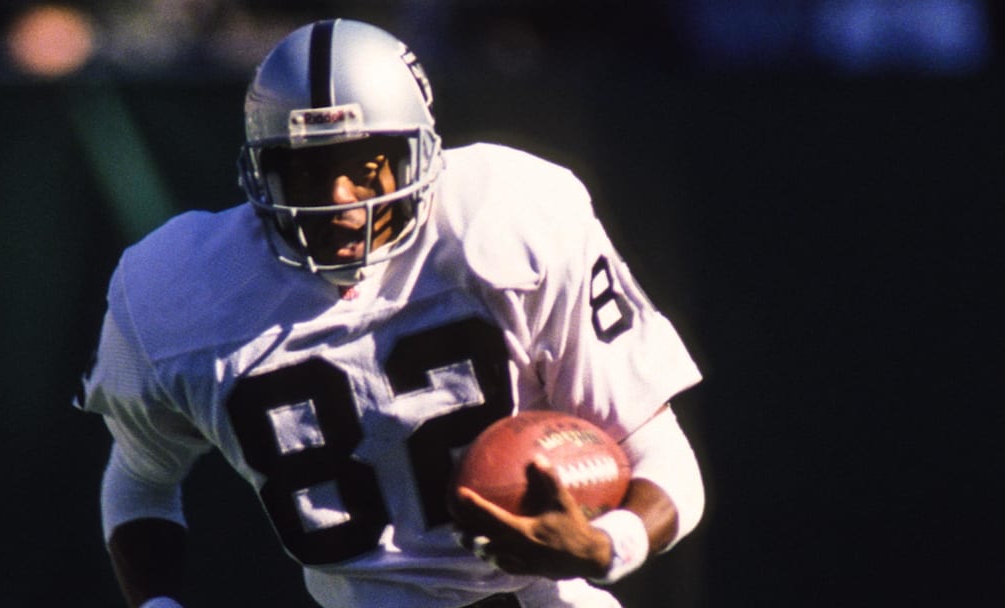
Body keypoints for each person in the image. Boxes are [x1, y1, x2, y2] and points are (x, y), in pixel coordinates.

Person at [76, 18, 706, 608]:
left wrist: (606, 545)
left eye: (366, 167)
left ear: (420, 154)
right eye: (306, 171)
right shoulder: (173, 291)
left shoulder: (510, 220)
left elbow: (659, 452)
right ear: (260, 171)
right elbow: (139, 478)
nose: (340, 202)